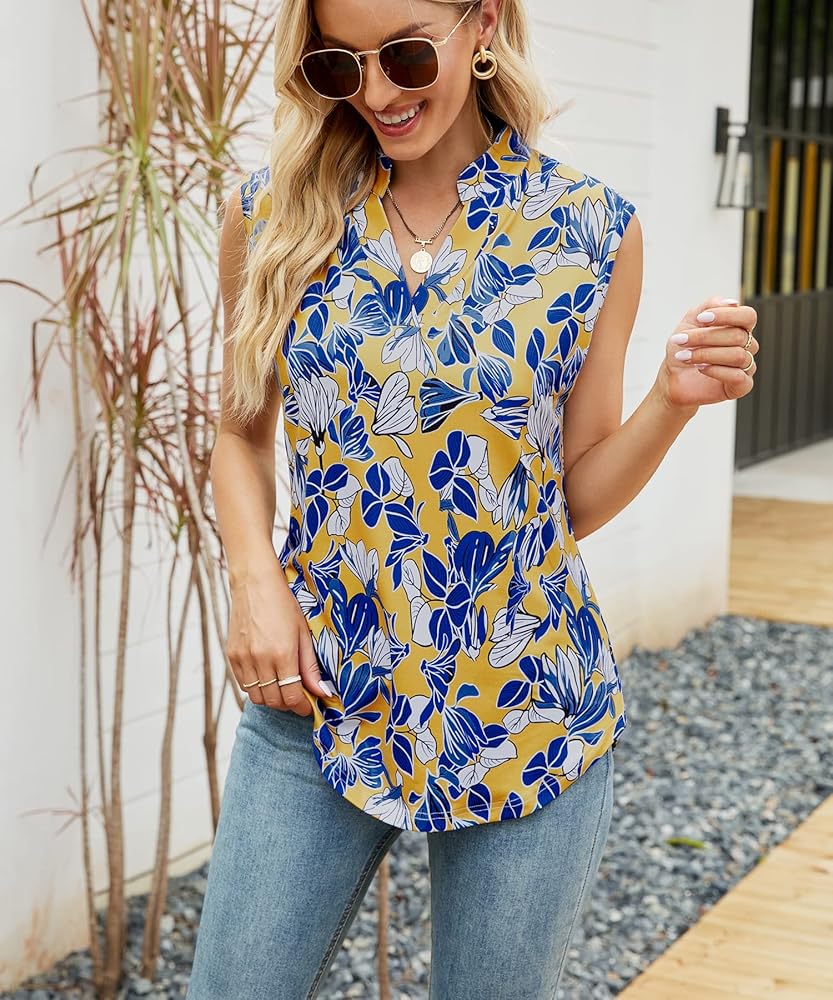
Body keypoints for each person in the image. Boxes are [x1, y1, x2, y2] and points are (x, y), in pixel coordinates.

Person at [186, 1, 759, 996]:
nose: (375, 93)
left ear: (483, 20)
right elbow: (239, 431)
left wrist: (670, 402)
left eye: (406, 56)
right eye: (338, 66)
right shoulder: (274, 214)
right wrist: (253, 584)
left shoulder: (588, 231)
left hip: (523, 699)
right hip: (319, 695)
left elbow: (570, 496)